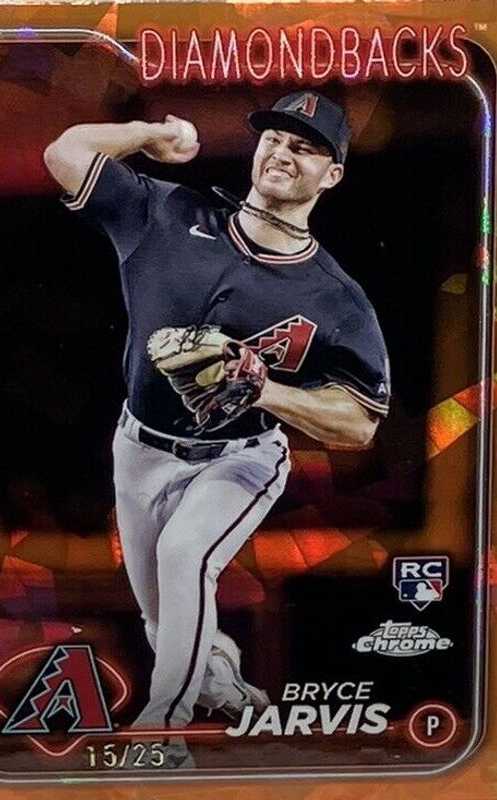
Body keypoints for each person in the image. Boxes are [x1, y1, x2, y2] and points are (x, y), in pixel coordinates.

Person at [43, 90, 390, 739]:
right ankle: (219, 675)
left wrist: (264, 390)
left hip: (239, 456)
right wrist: (148, 133)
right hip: (138, 446)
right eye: (275, 138)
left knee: (185, 556)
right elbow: (65, 153)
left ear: (332, 174)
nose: (283, 153)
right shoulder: (168, 213)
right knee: (162, 619)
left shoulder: (335, 298)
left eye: (305, 148)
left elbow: (359, 422)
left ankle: (163, 726)